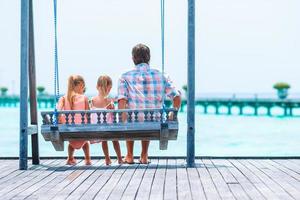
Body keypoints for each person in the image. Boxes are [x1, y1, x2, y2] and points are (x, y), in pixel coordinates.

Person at [118, 43, 181, 164]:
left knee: (130, 112)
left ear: (133, 59)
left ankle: (130, 155)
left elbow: (122, 101)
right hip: (154, 122)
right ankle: (144, 155)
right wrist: (172, 115)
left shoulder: (124, 76)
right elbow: (176, 97)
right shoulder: (162, 75)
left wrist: (123, 123)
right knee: (148, 112)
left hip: (133, 121)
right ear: (149, 58)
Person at [57, 75, 92, 165]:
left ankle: (70, 158)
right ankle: (87, 159)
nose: (83, 89)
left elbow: (58, 111)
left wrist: (59, 120)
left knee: (71, 142)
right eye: (83, 86)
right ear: (79, 85)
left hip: (67, 130)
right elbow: (88, 113)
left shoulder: (63, 98)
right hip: (82, 130)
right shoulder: (84, 98)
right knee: (85, 142)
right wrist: (89, 124)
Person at [90, 75, 123, 165]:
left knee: (104, 141)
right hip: (110, 128)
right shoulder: (109, 101)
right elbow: (113, 114)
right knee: (115, 140)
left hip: (98, 129)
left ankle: (107, 159)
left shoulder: (92, 100)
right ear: (109, 88)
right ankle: (120, 158)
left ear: (97, 86)